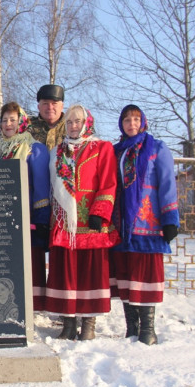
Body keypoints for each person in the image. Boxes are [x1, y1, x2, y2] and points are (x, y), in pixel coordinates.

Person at [44, 105, 119, 340]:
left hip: (91, 221)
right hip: (64, 222)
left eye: (78, 121)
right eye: (69, 122)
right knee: (66, 271)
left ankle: (88, 323)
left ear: (87, 122)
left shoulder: (101, 148)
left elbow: (108, 182)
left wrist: (100, 211)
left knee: (90, 272)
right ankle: (67, 322)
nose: (74, 126)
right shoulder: (57, 151)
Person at [110, 105, 179, 345]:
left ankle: (148, 328)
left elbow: (168, 183)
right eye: (127, 120)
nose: (131, 124)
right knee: (126, 275)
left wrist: (170, 219)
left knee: (145, 276)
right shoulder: (116, 151)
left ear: (143, 122)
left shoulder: (156, 149)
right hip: (121, 224)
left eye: (136, 119)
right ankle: (131, 327)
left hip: (147, 223)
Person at [0, 102, 50, 311]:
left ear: (22, 122)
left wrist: (41, 218)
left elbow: (42, 186)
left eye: (13, 120)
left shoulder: (34, 149)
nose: (8, 124)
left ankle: (31, 304)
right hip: (0, 216)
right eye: (5, 120)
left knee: (28, 261)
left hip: (26, 216)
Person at [27, 84, 67, 149]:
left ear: (62, 106)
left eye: (54, 103)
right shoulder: (26, 127)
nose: (50, 107)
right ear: (38, 107)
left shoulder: (72, 127)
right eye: (45, 103)